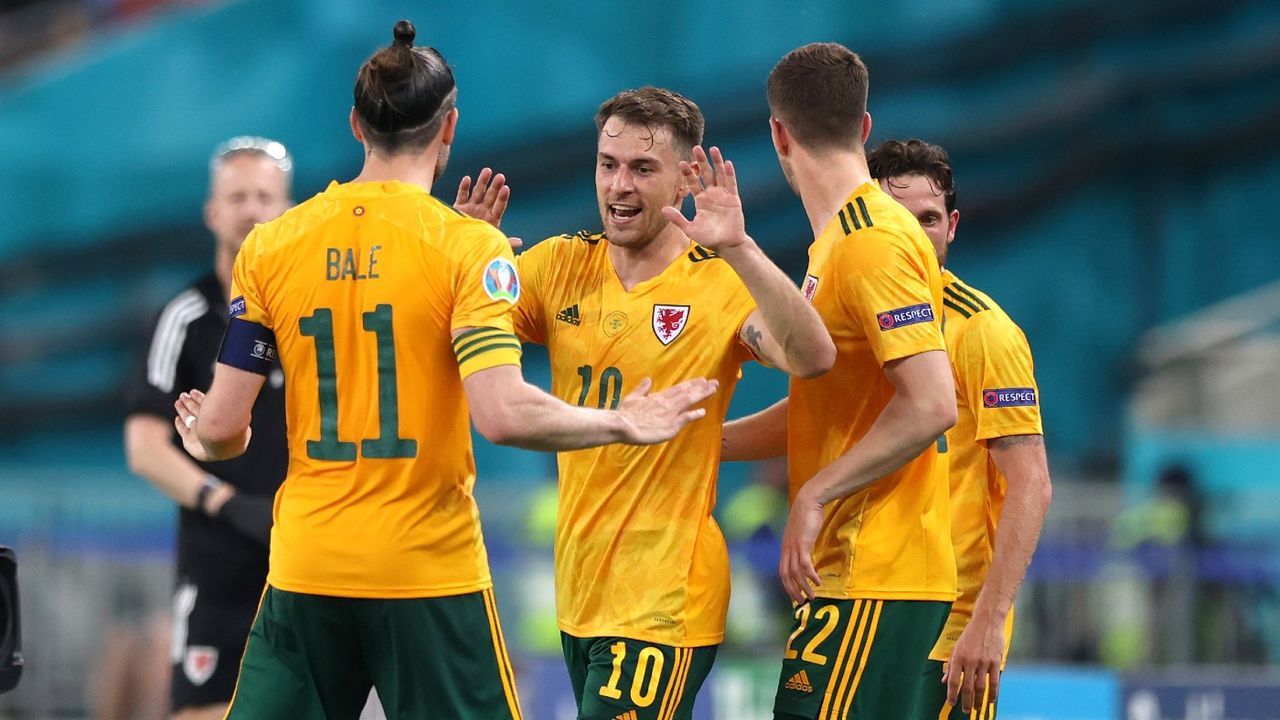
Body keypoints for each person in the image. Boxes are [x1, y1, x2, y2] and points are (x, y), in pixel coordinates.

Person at [171, 22, 717, 720]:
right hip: (427, 572)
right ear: (449, 126)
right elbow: (502, 414)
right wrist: (623, 420)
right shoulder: (467, 248)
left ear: (355, 124)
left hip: (308, 567)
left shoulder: (273, 246)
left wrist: (206, 438)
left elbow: (220, 431)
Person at [508, 86, 834, 720]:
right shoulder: (557, 268)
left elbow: (813, 356)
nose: (619, 186)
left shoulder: (718, 283)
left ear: (686, 178)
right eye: (608, 165)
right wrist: (471, 253)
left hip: (665, 597)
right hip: (580, 595)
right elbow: (459, 327)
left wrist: (740, 247)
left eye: (642, 168)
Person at [720, 43, 958, 720]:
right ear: (863, 127)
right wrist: (700, 440)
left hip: (875, 569)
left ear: (776, 134)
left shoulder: (872, 239)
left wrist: (815, 495)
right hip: (852, 574)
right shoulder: (836, 244)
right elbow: (836, 410)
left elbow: (933, 403)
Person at [868, 139, 1053, 719]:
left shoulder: (984, 333)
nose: (917, 234)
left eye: (929, 218)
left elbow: (1032, 484)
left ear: (951, 226)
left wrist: (989, 623)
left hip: (950, 628)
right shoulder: (850, 313)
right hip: (864, 608)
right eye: (899, 219)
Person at [124, 135, 293, 720]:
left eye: (265, 197)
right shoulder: (186, 319)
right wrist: (226, 505)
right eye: (238, 196)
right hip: (217, 562)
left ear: (287, 210)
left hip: (304, 551)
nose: (252, 209)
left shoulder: (310, 316)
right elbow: (144, 449)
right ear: (212, 213)